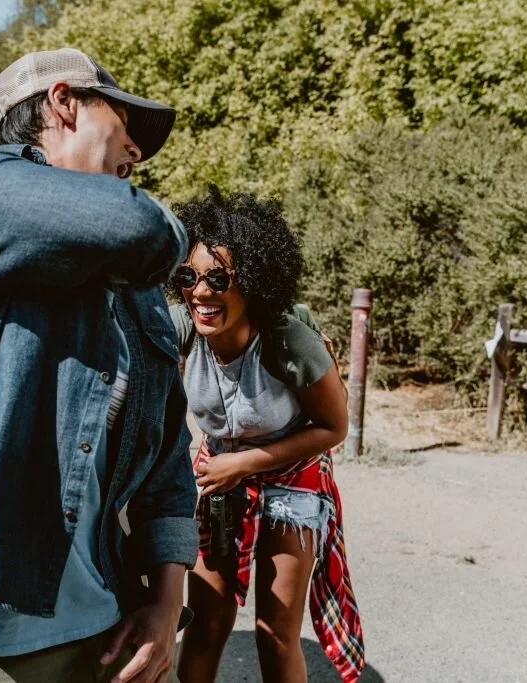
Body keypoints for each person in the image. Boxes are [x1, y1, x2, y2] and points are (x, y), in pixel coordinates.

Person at [0, 48, 198, 683]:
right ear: (63, 101)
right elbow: (140, 226)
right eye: (124, 127)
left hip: (110, 626)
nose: (137, 153)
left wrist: (165, 604)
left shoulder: (130, 288)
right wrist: (162, 224)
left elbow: (167, 459)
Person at [170, 187, 365, 683]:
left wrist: (246, 463)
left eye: (219, 278)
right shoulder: (183, 330)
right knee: (205, 622)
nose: (201, 292)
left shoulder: (287, 340)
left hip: (292, 476)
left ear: (253, 282)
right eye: (189, 276)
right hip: (220, 472)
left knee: (275, 633)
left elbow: (334, 427)